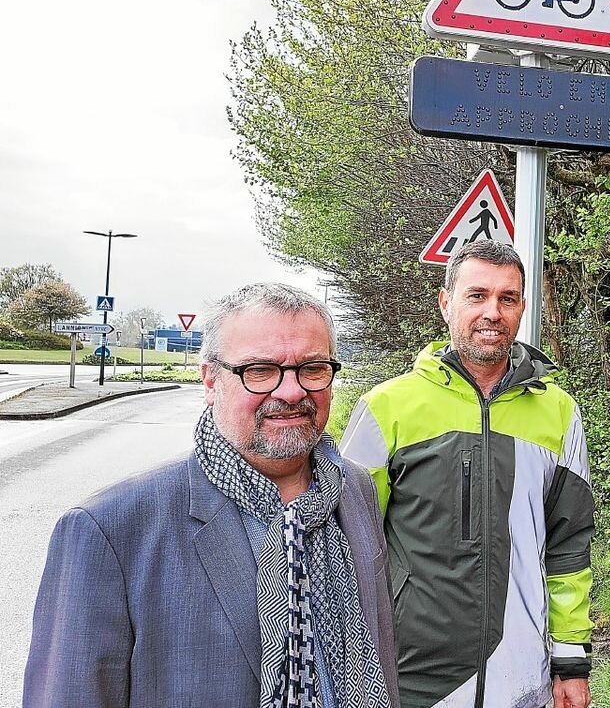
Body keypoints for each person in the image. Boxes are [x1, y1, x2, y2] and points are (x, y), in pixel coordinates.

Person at [24, 283, 398, 708]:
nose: (292, 392)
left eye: (312, 368)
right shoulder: (109, 530)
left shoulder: (354, 490)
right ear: (210, 380)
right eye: (259, 370)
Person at [340, 239, 594, 708]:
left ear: (521, 309)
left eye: (507, 298)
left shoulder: (560, 413)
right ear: (445, 302)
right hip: (411, 677)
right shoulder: (386, 407)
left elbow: (569, 545)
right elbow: (347, 545)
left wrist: (571, 659)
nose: (492, 312)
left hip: (520, 676)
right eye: (477, 295)